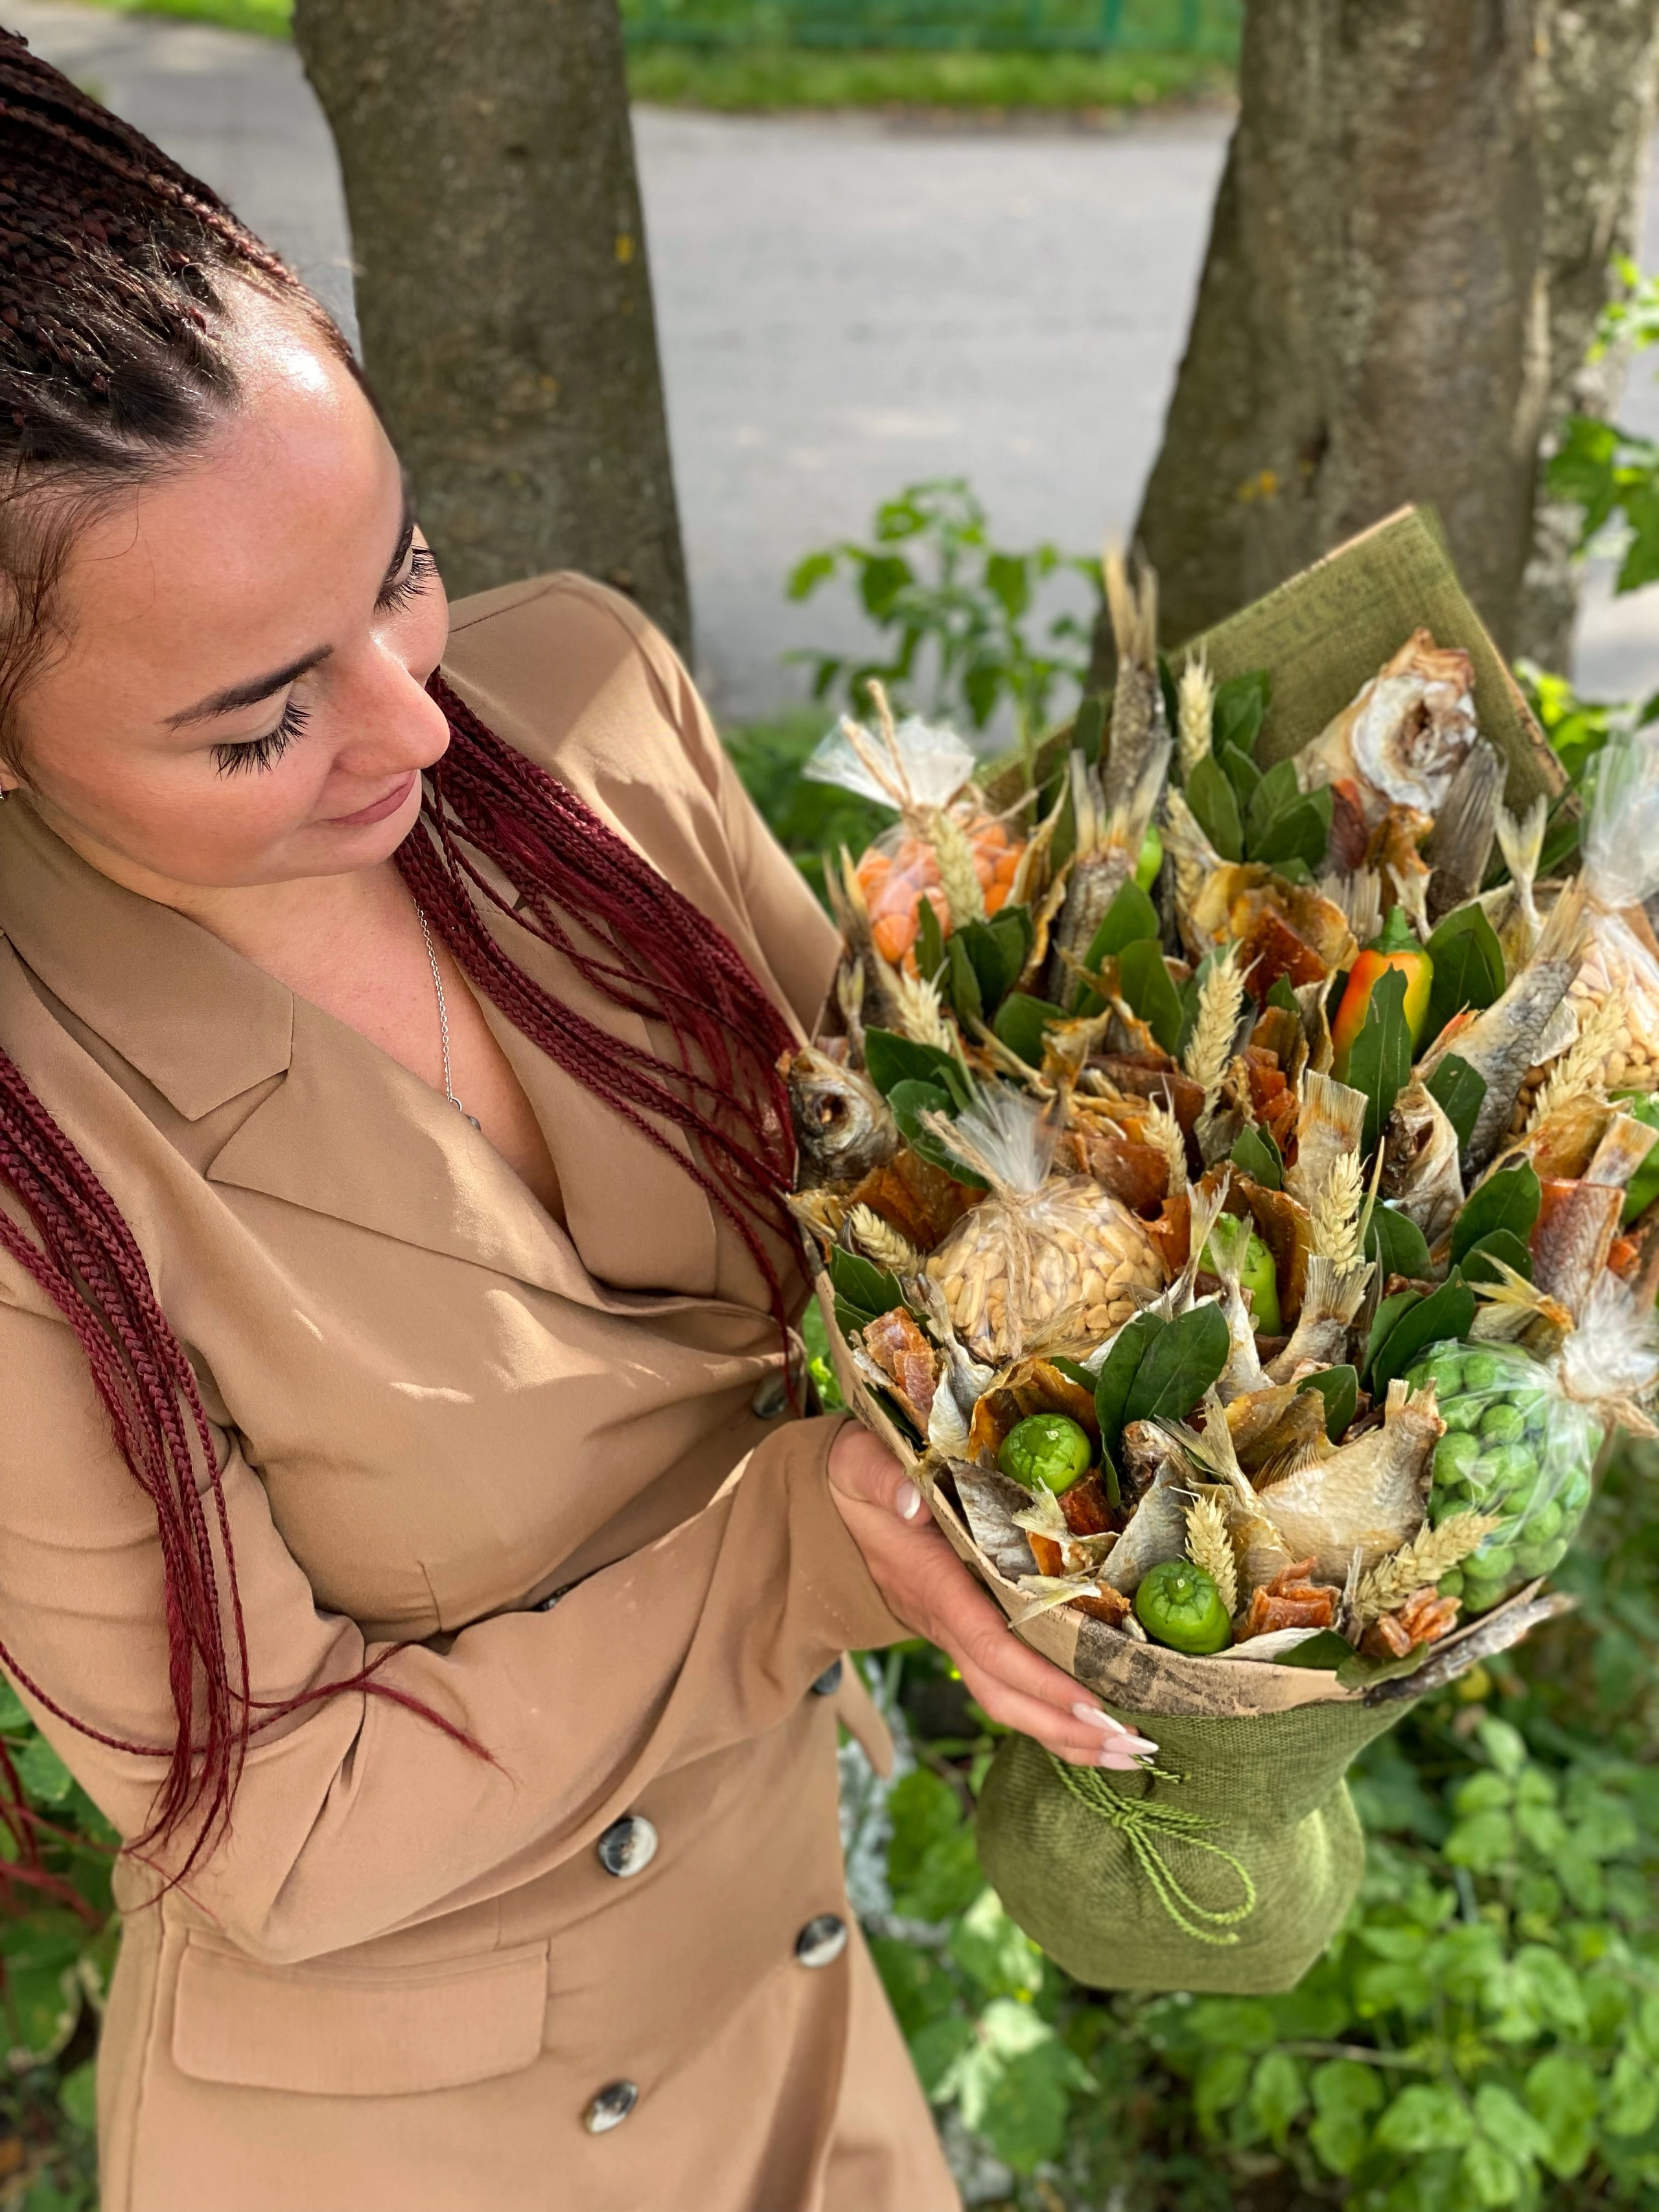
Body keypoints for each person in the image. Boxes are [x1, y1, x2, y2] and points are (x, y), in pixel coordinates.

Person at [0, 34, 1155, 2212]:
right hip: (415, 2141)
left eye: (401, 567)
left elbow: (935, 1203)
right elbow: (280, 1818)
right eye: (264, 721)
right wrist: (799, 1555)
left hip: (791, 1998)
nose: (417, 723)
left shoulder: (579, 702)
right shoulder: (30, 1130)